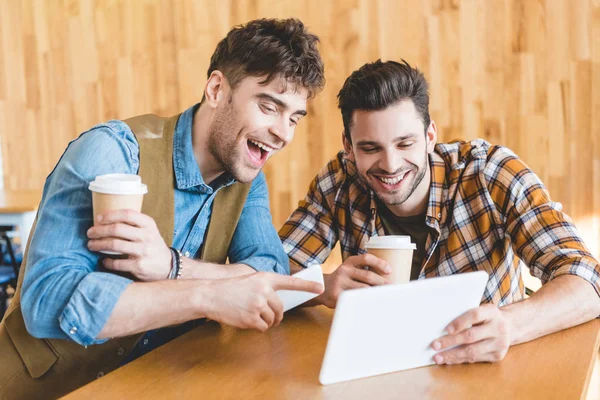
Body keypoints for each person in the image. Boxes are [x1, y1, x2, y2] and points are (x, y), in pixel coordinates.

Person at [0, 18, 324, 399]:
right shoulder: (112, 151)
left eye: (293, 118)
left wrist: (174, 267)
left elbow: (269, 272)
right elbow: (47, 301)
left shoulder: (246, 177)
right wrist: (205, 296)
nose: (284, 134)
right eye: (269, 107)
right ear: (217, 89)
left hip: (146, 385)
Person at [279, 59, 600, 365]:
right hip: (383, 367)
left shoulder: (490, 174)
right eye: (370, 148)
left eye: (405, 144)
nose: (390, 165)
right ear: (348, 147)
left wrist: (511, 325)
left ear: (430, 136)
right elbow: (271, 275)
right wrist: (323, 287)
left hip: (488, 369)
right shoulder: (338, 183)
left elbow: (588, 281)